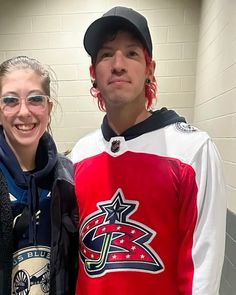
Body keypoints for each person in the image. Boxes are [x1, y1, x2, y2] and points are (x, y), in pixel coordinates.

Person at [71, 6, 227, 295]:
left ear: (149, 69)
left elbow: (201, 269)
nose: (118, 64)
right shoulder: (79, 154)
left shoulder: (192, 151)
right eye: (106, 54)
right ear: (93, 73)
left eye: (131, 53)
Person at [0, 56, 78, 295]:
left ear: (49, 108)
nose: (24, 112)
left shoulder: (67, 178)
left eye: (35, 99)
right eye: (10, 100)